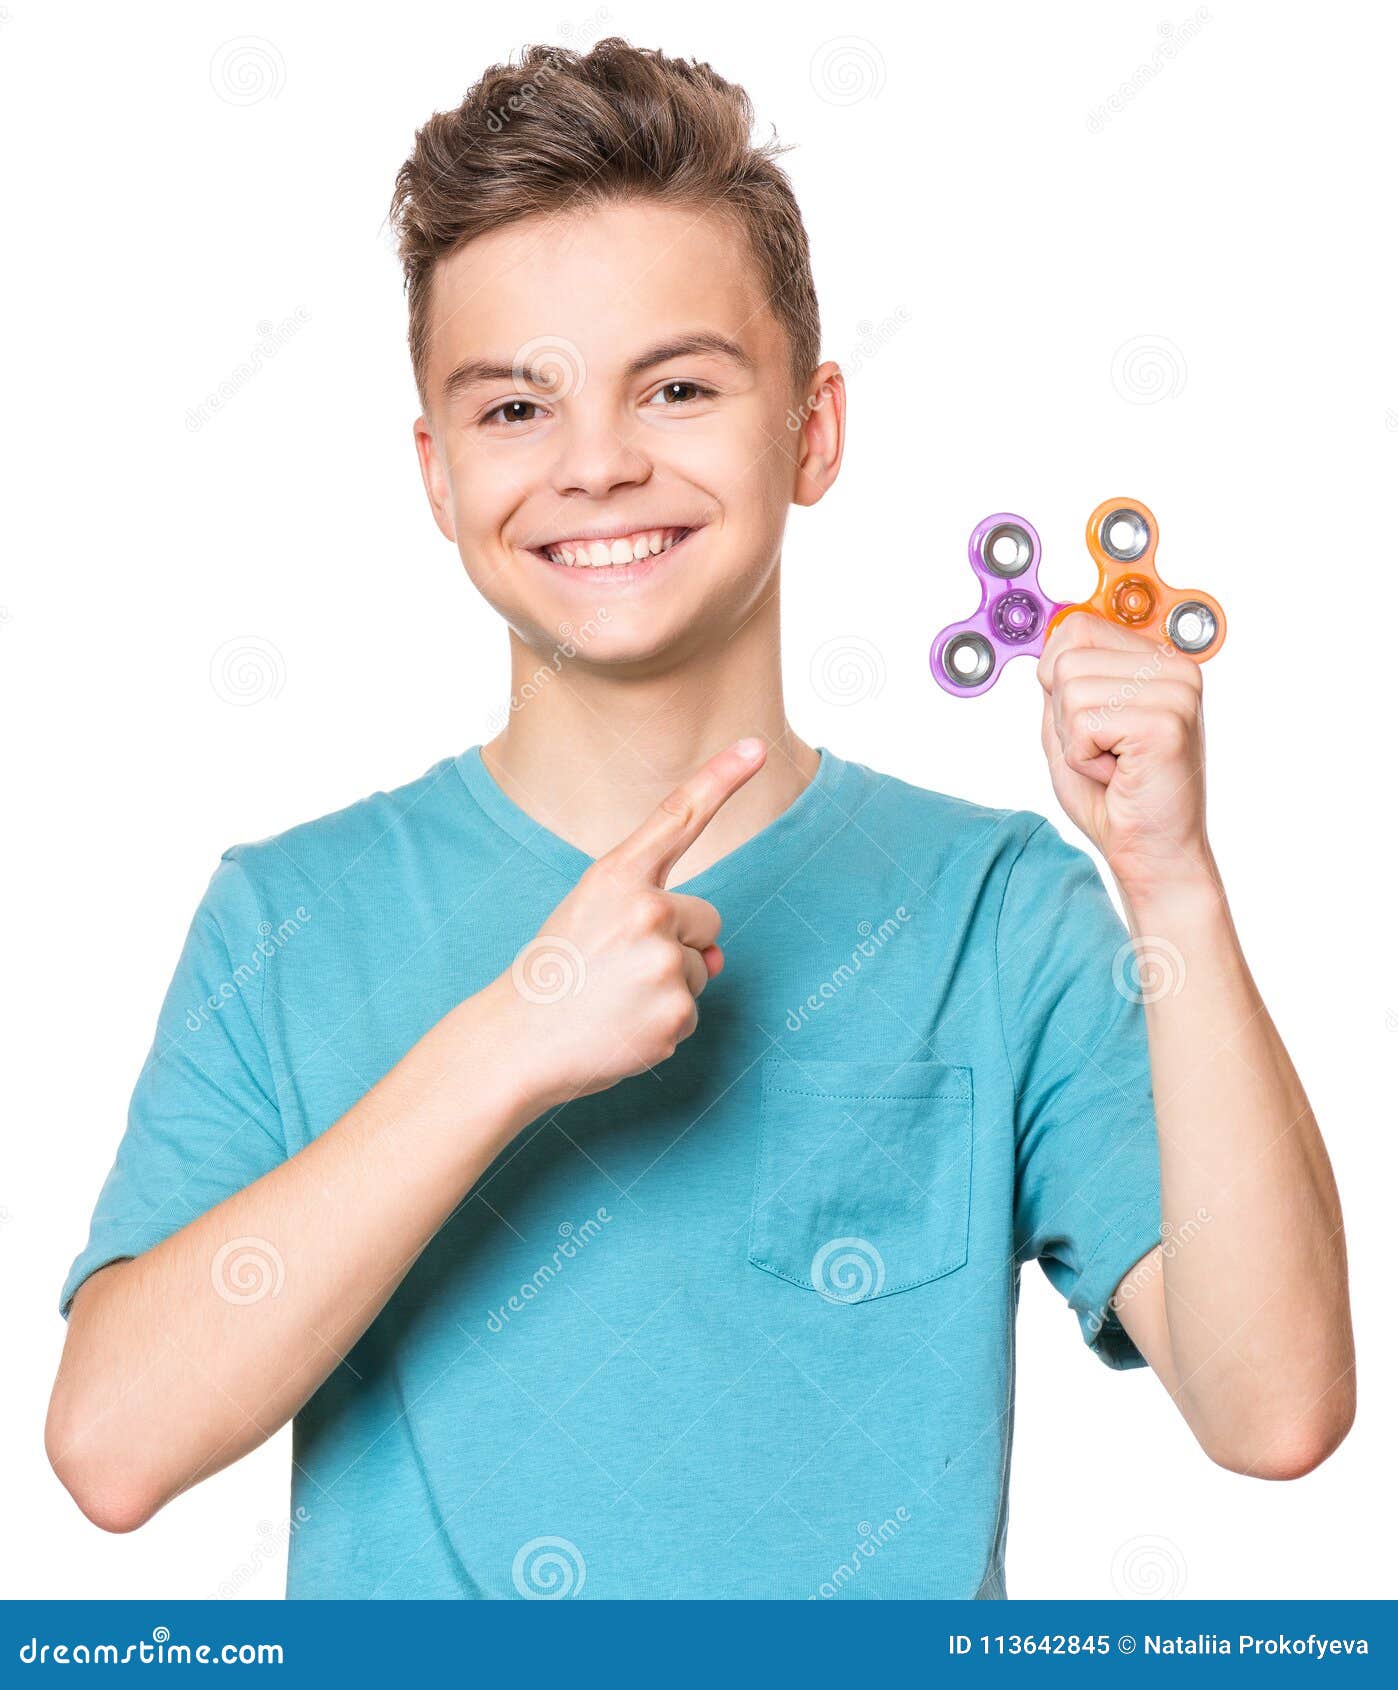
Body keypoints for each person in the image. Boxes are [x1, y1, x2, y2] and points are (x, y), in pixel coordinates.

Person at [46, 38, 1353, 1601]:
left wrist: (1169, 881)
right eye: (515, 406)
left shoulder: (998, 907)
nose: (597, 462)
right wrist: (510, 1040)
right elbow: (111, 1448)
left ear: (809, 429)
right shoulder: (287, 912)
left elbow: (1274, 1410)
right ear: (438, 475)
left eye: (674, 386)